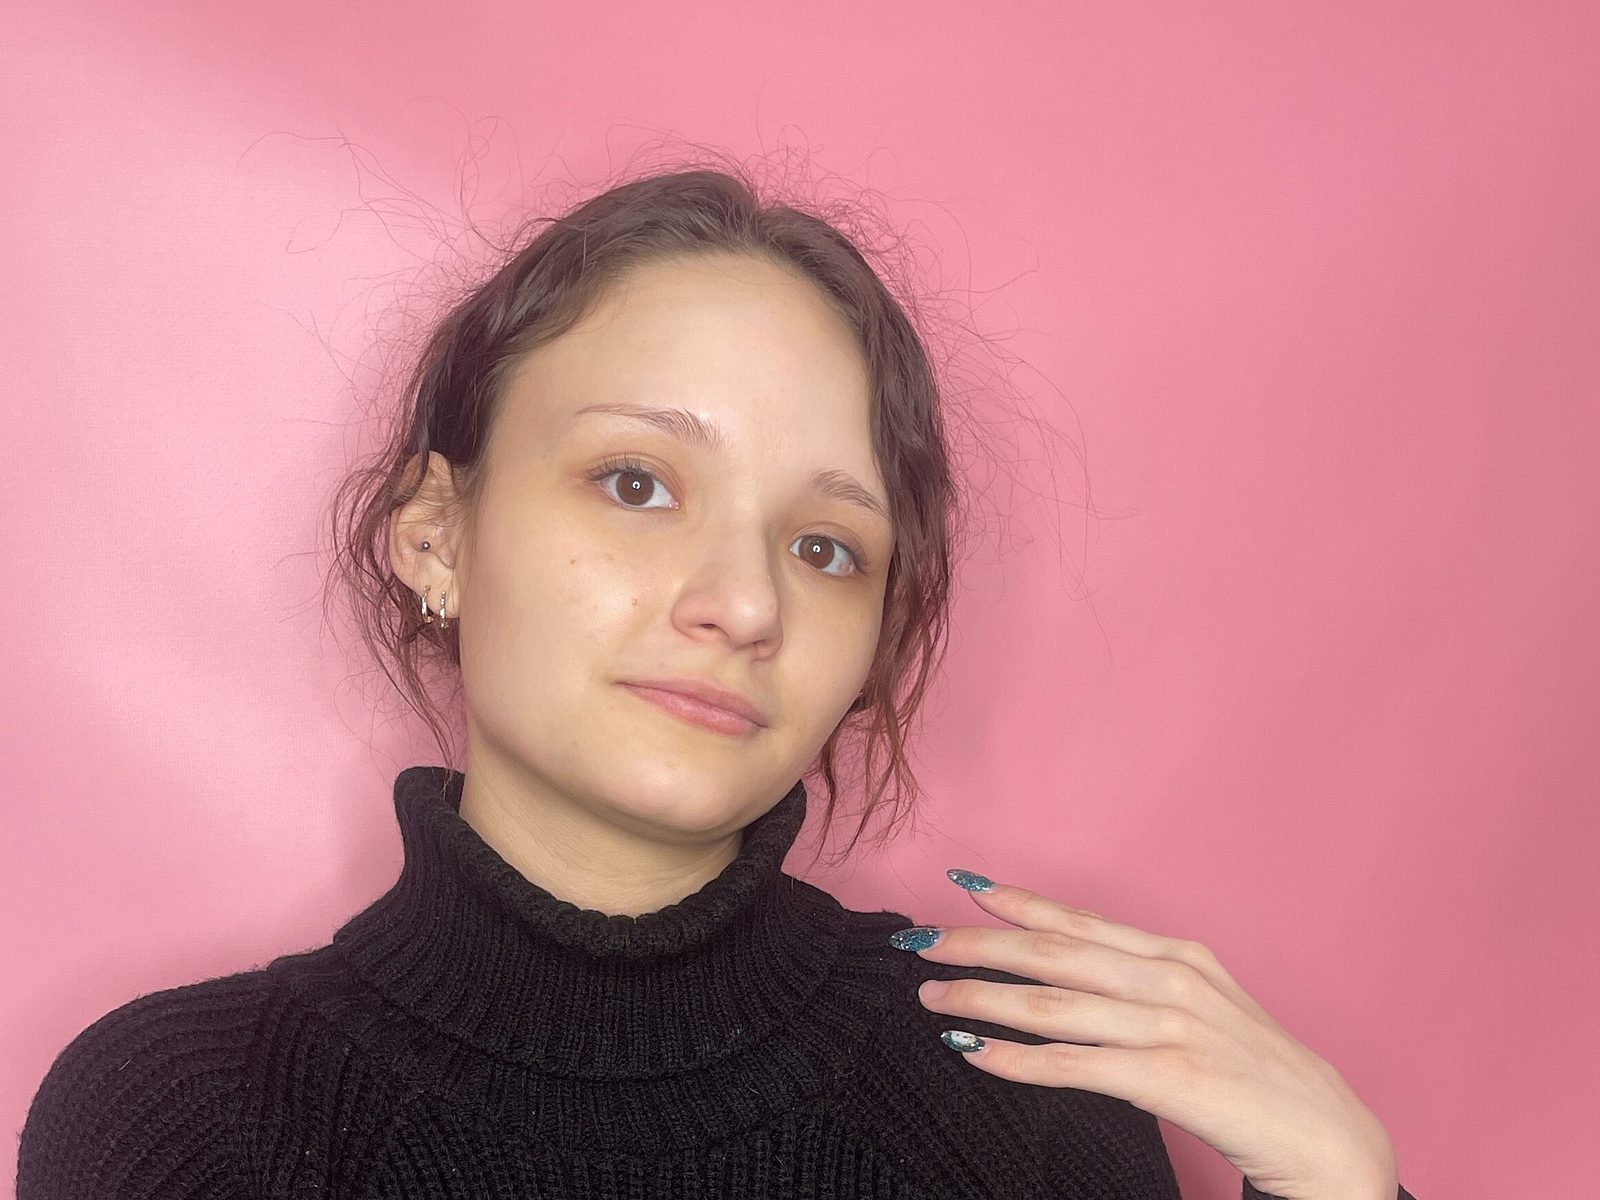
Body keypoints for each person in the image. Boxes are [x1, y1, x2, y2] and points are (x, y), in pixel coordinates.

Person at [15, 162, 1414, 1199]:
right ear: (436, 535)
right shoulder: (180, 1116)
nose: (745, 604)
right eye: (637, 482)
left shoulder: (1023, 1089)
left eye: (824, 547)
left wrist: (1343, 1189)